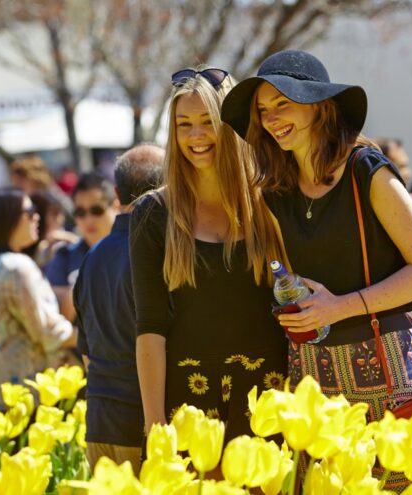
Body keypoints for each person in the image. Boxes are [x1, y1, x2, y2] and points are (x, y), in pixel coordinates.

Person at [221, 50, 412, 489]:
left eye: (282, 103)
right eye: (263, 111)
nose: (271, 118)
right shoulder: (276, 189)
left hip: (387, 375)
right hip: (314, 378)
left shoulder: (367, 172)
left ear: (318, 105)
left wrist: (340, 307)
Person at [130, 67, 289, 448]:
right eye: (184, 125)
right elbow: (150, 327)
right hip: (189, 405)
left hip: (267, 397)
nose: (196, 136)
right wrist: (154, 425)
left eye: (207, 122)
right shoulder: (153, 213)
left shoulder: (273, 201)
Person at [74, 144, 164, 474]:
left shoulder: (92, 258)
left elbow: (85, 350)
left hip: (99, 419)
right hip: (144, 422)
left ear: (116, 194)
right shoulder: (159, 250)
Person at [0, 187, 75, 412]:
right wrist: (90, 336)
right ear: (7, 220)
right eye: (30, 211)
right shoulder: (16, 267)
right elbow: (47, 331)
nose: (37, 217)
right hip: (24, 396)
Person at [45, 173, 118, 321]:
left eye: (96, 210)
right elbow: (59, 317)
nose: (88, 219)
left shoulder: (133, 251)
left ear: (116, 206)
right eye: (80, 212)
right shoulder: (64, 256)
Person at [22, 191, 78, 268]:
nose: (60, 219)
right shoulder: (23, 246)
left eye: (61, 213)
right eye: (55, 213)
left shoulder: (62, 244)